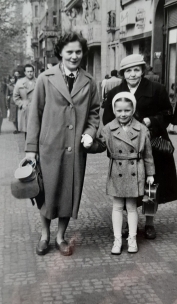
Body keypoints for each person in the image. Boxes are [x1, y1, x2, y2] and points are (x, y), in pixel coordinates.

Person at [24, 31, 100, 256]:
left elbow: (95, 113)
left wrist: (90, 132)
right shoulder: (45, 79)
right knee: (46, 193)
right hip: (49, 147)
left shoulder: (89, 81)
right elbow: (34, 115)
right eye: (70, 52)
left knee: (69, 192)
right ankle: (45, 235)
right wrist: (31, 150)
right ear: (60, 53)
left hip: (75, 148)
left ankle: (60, 237)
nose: (74, 56)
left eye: (78, 51)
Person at [103, 54, 177, 239]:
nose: (133, 74)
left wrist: (150, 121)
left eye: (137, 70)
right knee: (128, 187)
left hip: (152, 147)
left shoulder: (157, 89)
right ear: (123, 73)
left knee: (151, 188)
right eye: (128, 71)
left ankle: (150, 223)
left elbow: (168, 114)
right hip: (126, 150)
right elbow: (107, 119)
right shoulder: (114, 93)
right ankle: (130, 223)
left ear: (143, 71)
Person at [88, 92, 155, 254]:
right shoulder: (108, 128)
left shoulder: (141, 129)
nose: (123, 114)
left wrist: (150, 173)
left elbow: (147, 154)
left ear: (133, 110)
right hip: (117, 169)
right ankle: (117, 239)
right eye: (119, 111)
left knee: (132, 207)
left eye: (126, 110)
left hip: (135, 169)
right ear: (114, 110)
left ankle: (132, 238)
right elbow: (101, 145)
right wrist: (90, 144)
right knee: (117, 206)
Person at [13, 64, 36, 138]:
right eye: (28, 71)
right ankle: (28, 148)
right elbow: (15, 96)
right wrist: (21, 104)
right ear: (25, 73)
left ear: (33, 72)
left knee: (36, 130)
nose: (30, 73)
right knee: (27, 131)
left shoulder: (39, 81)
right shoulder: (20, 82)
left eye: (31, 71)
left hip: (36, 109)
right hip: (25, 109)